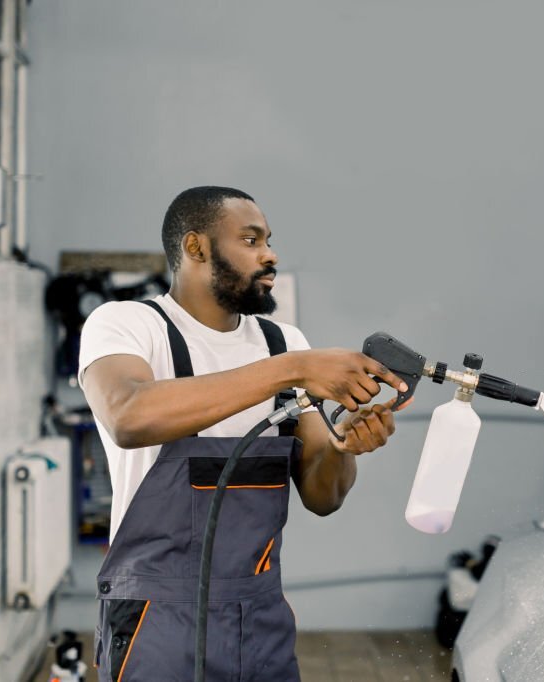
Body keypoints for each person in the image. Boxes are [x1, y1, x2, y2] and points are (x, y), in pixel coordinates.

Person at [78, 186, 407, 681]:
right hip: (156, 615)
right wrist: (290, 370)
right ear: (196, 248)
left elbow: (323, 495)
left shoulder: (283, 343)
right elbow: (129, 416)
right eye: (250, 240)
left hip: (259, 617)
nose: (269, 254)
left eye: (269, 241)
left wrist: (345, 447)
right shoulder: (127, 324)